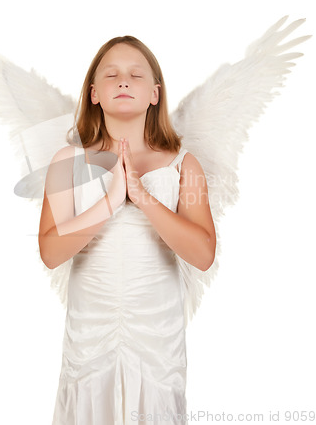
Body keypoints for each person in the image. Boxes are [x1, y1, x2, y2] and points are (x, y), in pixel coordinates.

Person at [38, 36, 216, 424]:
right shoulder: (66, 162)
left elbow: (203, 255)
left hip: (155, 338)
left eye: (135, 75)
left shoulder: (185, 165)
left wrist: (142, 195)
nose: (123, 81)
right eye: (112, 74)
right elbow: (51, 252)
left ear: (155, 93)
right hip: (91, 335)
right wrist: (109, 202)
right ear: (94, 93)